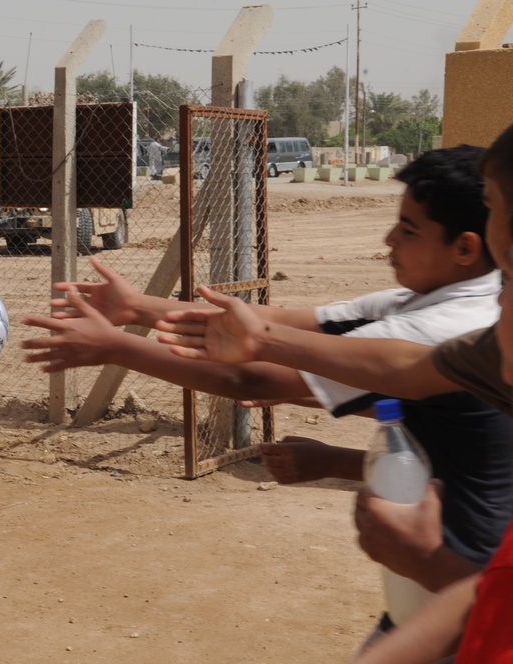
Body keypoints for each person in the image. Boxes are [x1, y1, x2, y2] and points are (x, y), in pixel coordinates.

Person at [21, 145, 513, 645]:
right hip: (434, 592)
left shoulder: (444, 325)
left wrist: (117, 346)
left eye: (408, 231)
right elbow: (277, 325)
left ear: (466, 248)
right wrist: (139, 308)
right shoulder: (429, 300)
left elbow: (252, 378)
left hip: (467, 594)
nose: (388, 239)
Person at [160, 126, 513, 663]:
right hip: (429, 607)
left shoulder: (454, 319)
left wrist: (431, 563)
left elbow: (255, 379)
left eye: (509, 280)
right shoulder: (442, 324)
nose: (497, 308)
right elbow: (410, 380)